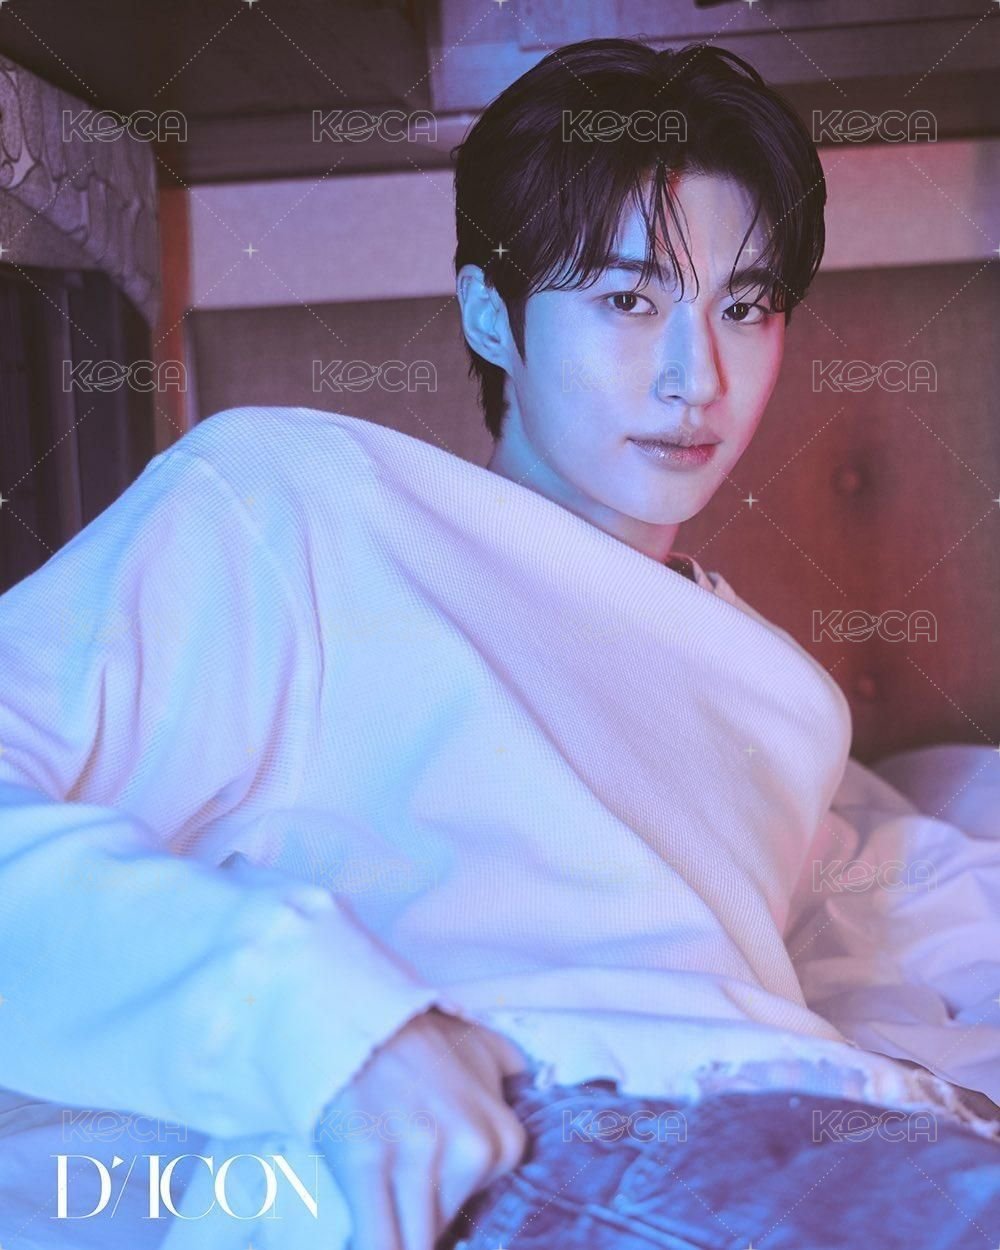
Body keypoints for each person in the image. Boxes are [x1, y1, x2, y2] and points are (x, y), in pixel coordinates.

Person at [0, 36, 997, 1250]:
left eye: (743, 306)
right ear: (490, 312)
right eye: (627, 299)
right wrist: (334, 1028)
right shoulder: (299, 504)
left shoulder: (783, 699)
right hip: (527, 1114)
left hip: (831, 1121)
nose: (696, 377)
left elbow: (896, 885)